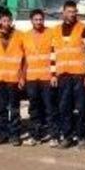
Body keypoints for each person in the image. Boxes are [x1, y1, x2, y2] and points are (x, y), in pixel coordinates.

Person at [54, 0, 85, 148]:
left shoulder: (83, 28)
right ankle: (68, 136)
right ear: (63, 12)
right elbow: (53, 53)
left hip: (79, 75)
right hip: (63, 75)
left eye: (74, 11)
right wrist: (53, 74)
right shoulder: (56, 30)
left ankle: (82, 137)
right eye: (69, 11)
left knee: (81, 107)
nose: (72, 14)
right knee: (64, 107)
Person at [0, 7, 25, 145]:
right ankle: (2, 134)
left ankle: (15, 135)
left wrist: (22, 77)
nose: (6, 23)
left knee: (14, 109)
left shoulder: (20, 35)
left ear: (11, 21)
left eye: (8, 20)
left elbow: (25, 58)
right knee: (0, 108)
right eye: (4, 20)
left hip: (14, 79)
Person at [22, 8, 57, 146]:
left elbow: (55, 54)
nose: (38, 22)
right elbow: (24, 58)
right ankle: (35, 136)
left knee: (50, 108)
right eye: (36, 19)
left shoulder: (51, 33)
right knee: (34, 109)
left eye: (40, 19)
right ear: (31, 21)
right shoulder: (25, 36)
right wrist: (22, 77)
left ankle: (54, 136)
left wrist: (54, 75)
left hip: (47, 77)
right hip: (31, 78)